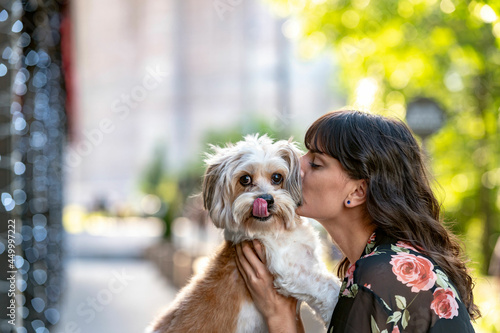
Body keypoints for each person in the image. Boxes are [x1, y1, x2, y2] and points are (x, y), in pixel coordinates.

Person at [235, 110, 480, 332]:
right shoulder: (395, 261)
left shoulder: (381, 276)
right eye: (305, 153)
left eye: (316, 163)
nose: (296, 165)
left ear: (357, 192)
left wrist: (280, 316)